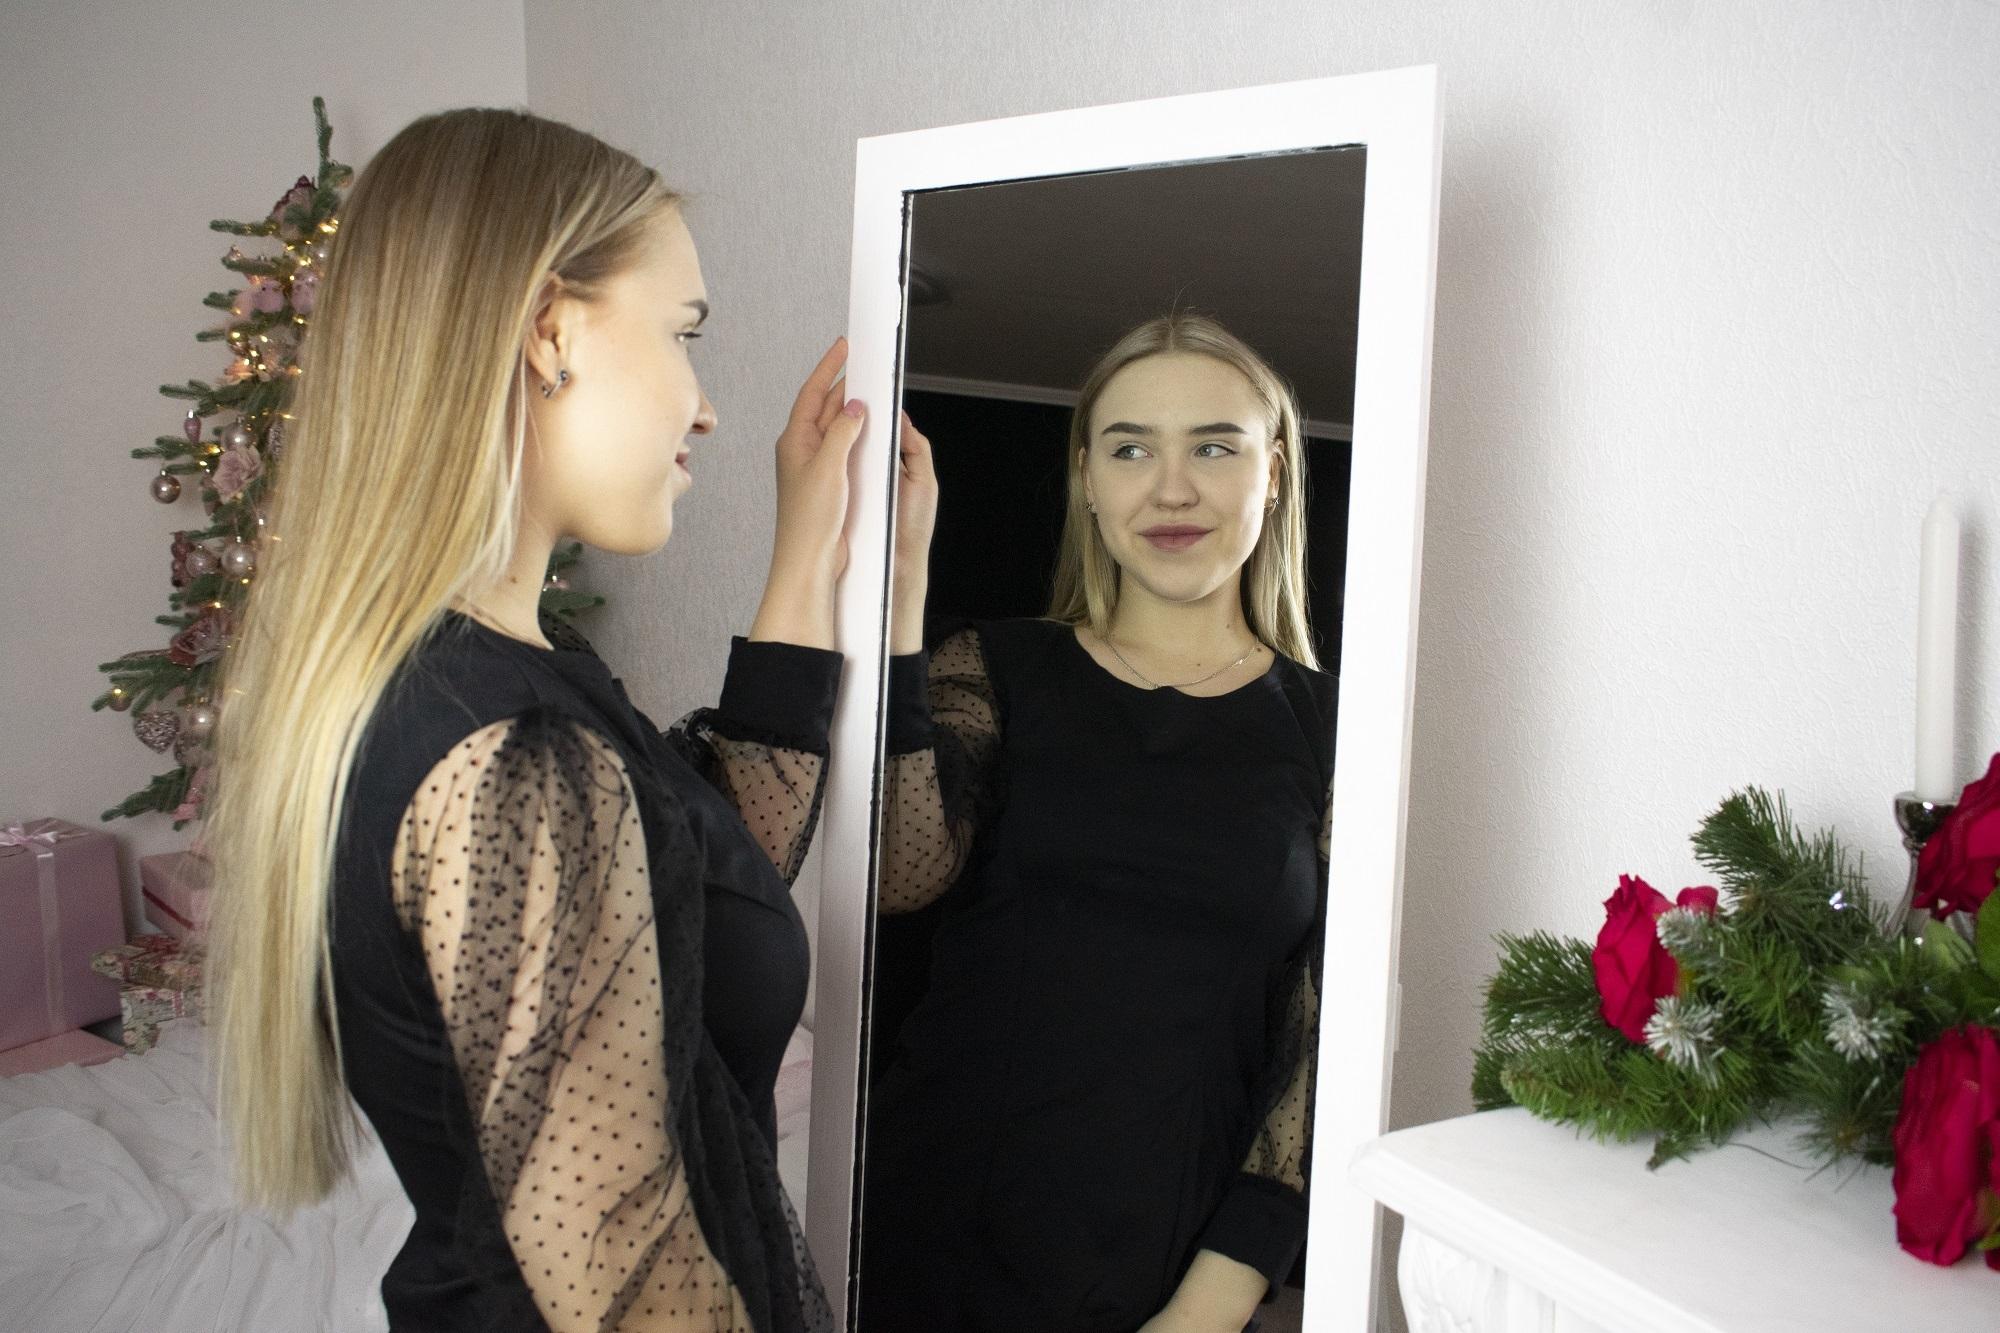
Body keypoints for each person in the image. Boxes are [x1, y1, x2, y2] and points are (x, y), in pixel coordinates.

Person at [202, 108, 865, 1332]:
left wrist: (807, 547)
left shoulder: (474, 680)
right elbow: (637, 1285)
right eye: (682, 332)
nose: (704, 407)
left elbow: (708, 881)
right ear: (550, 332)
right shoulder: (508, 756)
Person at [858, 313, 1334, 1333]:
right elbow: (899, 868)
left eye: (1214, 447)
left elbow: (1316, 1045)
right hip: (927, 1234)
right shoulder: (995, 667)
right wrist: (899, 595)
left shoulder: (1332, 732)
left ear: (1275, 474)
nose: (1172, 488)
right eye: (1130, 449)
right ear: (1084, 477)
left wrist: (1210, 1304)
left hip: (1167, 1271)